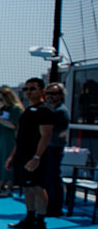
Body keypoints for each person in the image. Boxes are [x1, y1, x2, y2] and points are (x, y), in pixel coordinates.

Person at [5, 77, 55, 229]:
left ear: (41, 91)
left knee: (38, 188)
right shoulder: (27, 111)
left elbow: (46, 135)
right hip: (22, 156)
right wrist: (13, 156)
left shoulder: (44, 110)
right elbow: (20, 136)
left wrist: (37, 157)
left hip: (34, 157)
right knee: (27, 188)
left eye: (32, 88)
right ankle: (29, 218)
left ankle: (40, 223)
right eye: (26, 89)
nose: (29, 92)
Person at [0, 86, 23, 197]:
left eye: (2, 99)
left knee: (8, 161)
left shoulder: (16, 109)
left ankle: (9, 187)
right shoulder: (3, 109)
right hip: (0, 137)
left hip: (10, 139)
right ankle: (0, 185)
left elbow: (13, 125)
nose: (0, 101)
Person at [43, 82, 70, 217]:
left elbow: (50, 130)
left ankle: (55, 207)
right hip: (49, 146)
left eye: (53, 93)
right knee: (48, 177)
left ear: (60, 95)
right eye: (48, 93)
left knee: (53, 177)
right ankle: (48, 205)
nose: (50, 96)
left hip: (55, 147)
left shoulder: (60, 111)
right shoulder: (52, 110)